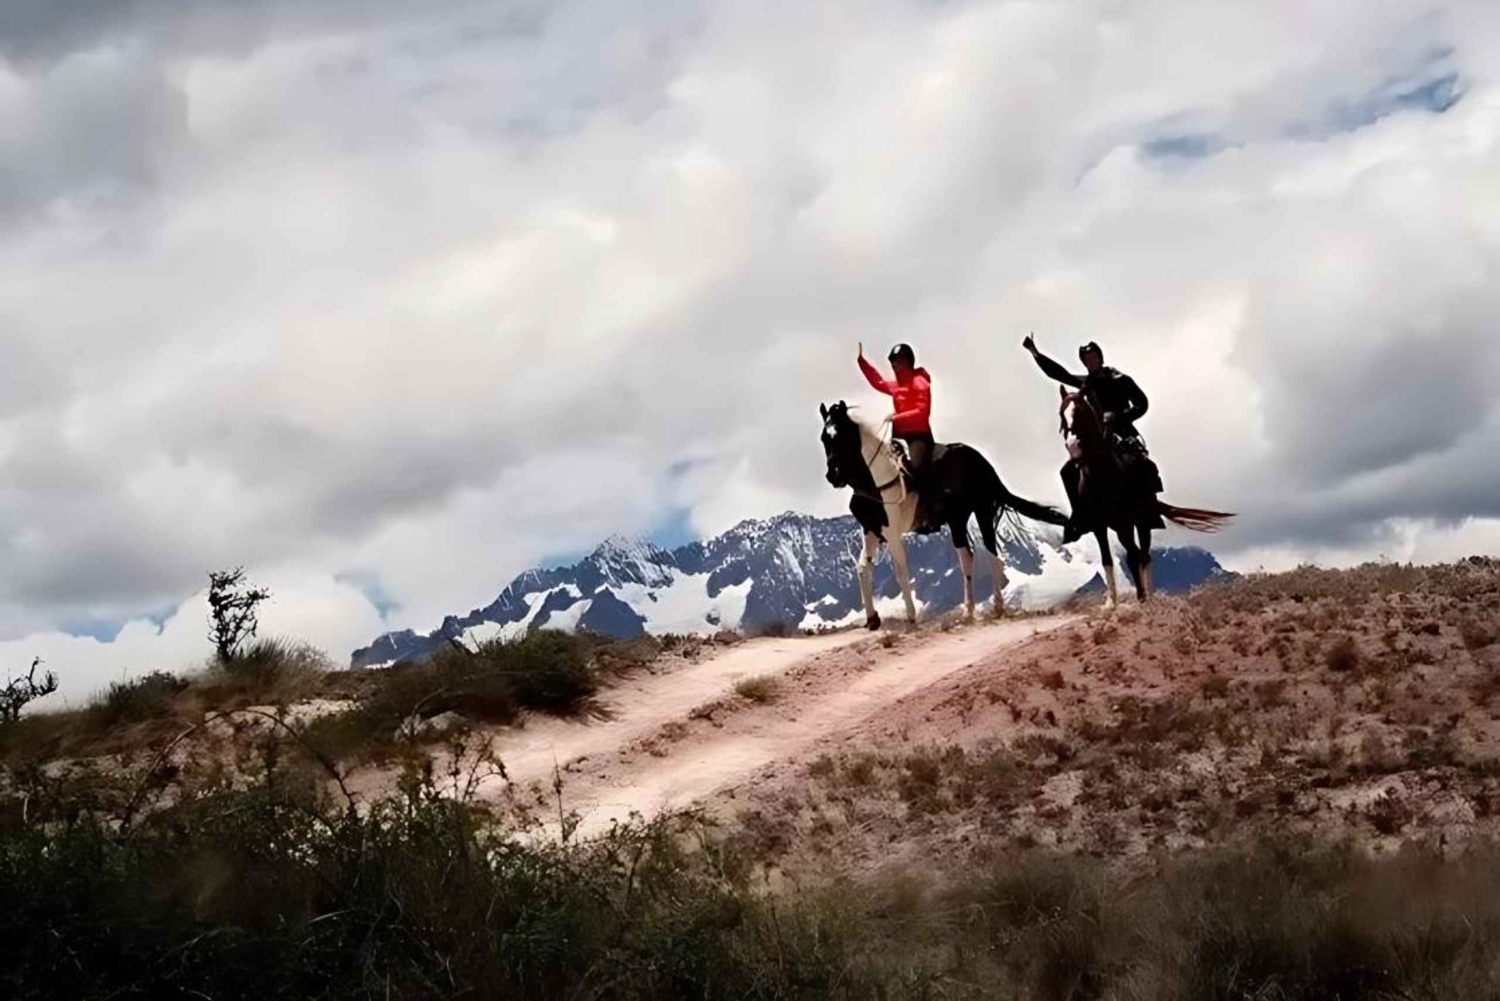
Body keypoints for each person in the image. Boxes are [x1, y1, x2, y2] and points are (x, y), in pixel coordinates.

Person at [1023, 334, 1160, 540]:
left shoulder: (1121, 379)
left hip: (1123, 434)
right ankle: (1079, 517)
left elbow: (1143, 404)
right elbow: (1058, 374)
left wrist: (1120, 417)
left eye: (1092, 357)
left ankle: (1149, 512)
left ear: (1100, 358)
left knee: (1144, 466)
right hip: (1097, 438)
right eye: (1086, 360)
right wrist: (1035, 353)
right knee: (1067, 471)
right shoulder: (1086, 383)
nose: (1089, 362)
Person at [857, 342, 933, 489]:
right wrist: (861, 361)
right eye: (892, 361)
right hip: (898, 437)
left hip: (918, 438)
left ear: (907, 361)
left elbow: (923, 412)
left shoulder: (919, 382)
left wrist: (896, 418)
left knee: (914, 470)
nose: (893, 364)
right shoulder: (897, 386)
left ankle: (925, 505)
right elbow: (877, 382)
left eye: (897, 360)